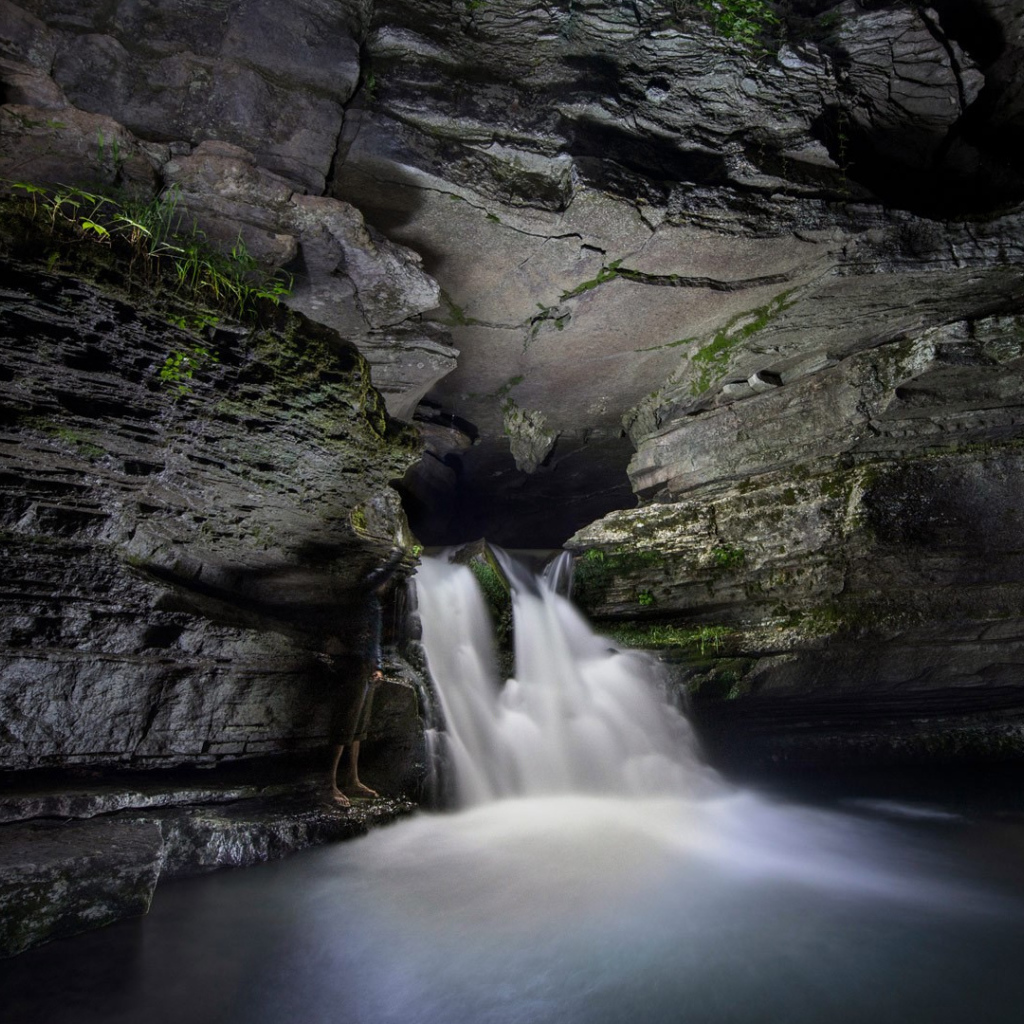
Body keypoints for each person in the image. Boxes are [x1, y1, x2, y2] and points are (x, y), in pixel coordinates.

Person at [326, 548, 405, 807]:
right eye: (383, 579)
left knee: (359, 727)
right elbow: (378, 576)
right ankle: (329, 784)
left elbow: (375, 641)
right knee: (345, 725)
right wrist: (399, 555)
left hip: (367, 668)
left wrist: (378, 666)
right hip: (352, 664)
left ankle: (353, 779)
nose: (386, 584)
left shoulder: (374, 605)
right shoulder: (362, 594)